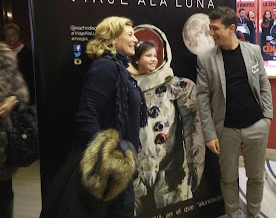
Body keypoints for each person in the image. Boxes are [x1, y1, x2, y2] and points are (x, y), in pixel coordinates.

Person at [40, 16, 146, 218]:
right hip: (106, 168)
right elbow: (87, 114)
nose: (135, 40)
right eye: (130, 35)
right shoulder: (105, 67)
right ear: (113, 38)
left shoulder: (120, 68)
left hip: (120, 165)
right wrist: (108, 159)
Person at [196, 7, 273, 218]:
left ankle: (253, 213)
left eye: (215, 28)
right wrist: (210, 134)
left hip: (256, 126)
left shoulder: (253, 51)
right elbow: (202, 98)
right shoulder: (205, 58)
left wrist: (267, 117)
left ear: (231, 28)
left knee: (256, 177)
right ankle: (233, 215)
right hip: (225, 130)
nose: (211, 33)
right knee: (228, 178)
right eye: (210, 28)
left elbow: (264, 84)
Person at [128, 27, 205, 216]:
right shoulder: (125, 88)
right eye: (148, 56)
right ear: (136, 59)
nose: (154, 59)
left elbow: (193, 122)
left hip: (170, 171)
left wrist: (195, 162)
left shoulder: (177, 86)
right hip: (135, 173)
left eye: (155, 55)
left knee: (174, 210)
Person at [0, 42, 30, 218]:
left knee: (3, 195)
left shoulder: (4, 56)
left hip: (2, 143)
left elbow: (22, 92)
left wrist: (13, 99)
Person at [3, 23, 35, 104]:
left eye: (12, 35)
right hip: (7, 98)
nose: (10, 38)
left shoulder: (27, 54)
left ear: (18, 35)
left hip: (23, 96)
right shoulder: (4, 54)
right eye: (7, 35)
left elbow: (30, 79)